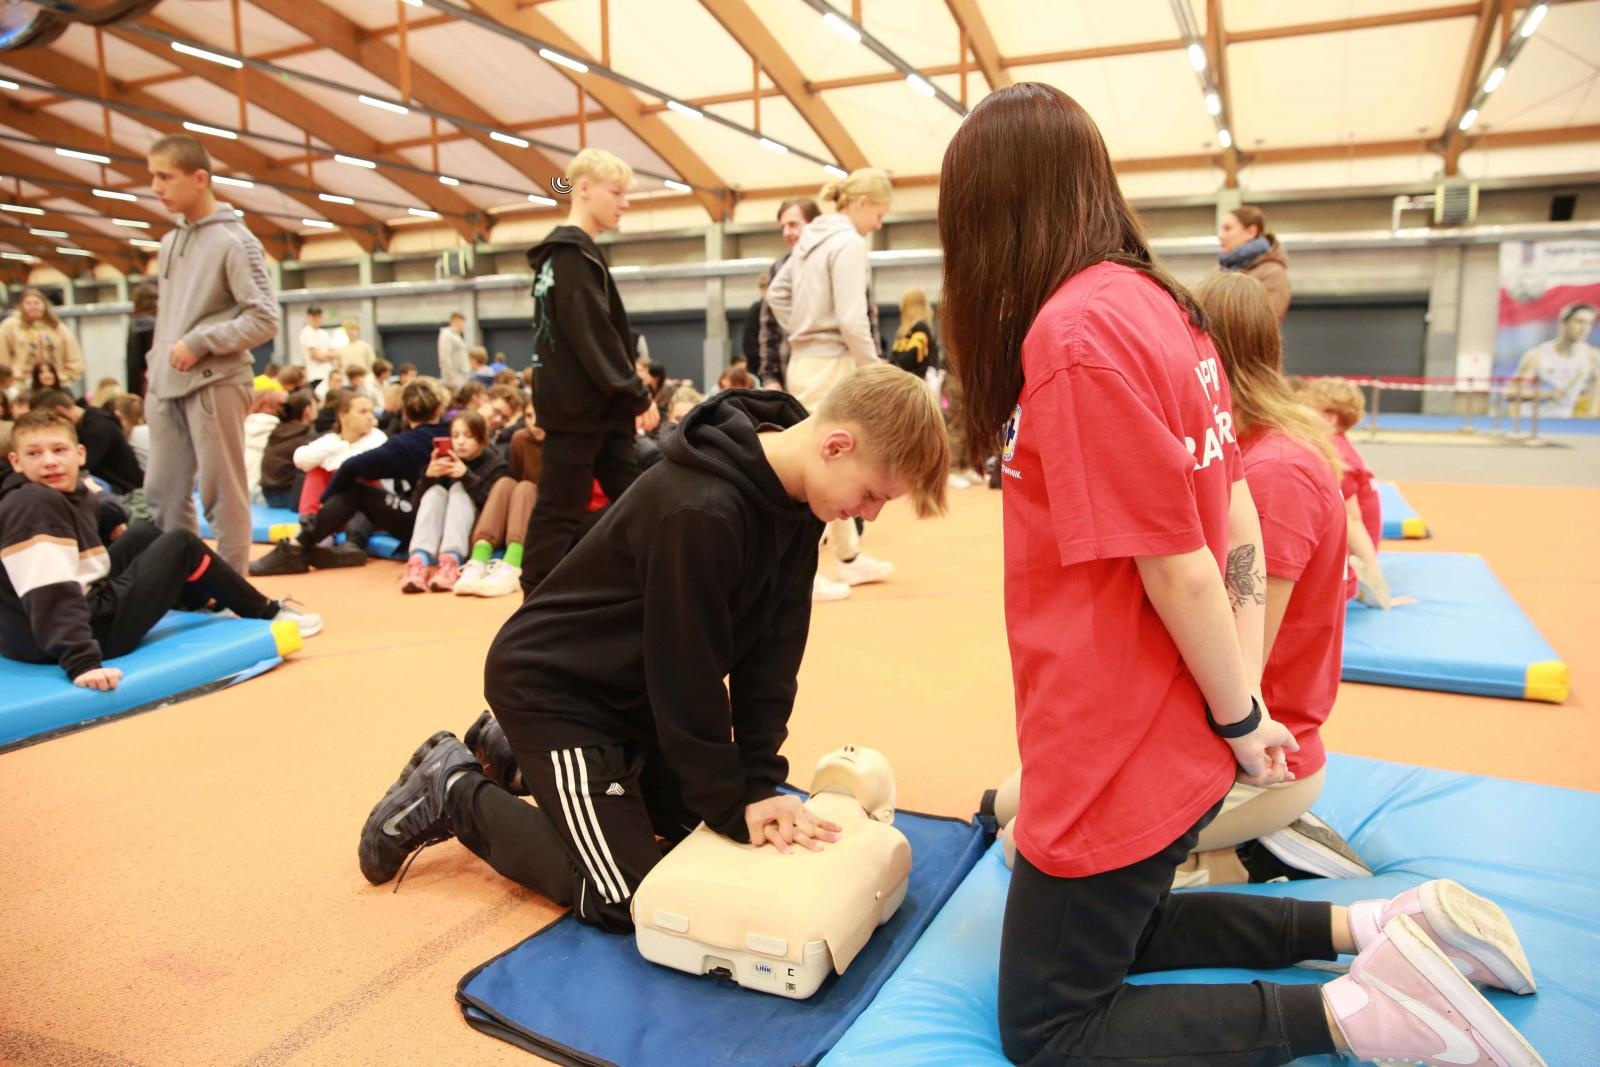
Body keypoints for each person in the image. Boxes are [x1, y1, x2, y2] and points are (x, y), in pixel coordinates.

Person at [939, 82, 1541, 1067]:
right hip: (1159, 722)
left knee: (1049, 1026)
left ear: (995, 212)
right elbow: (1227, 510)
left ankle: (1360, 1016)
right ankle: (1378, 924)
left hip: (1119, 734)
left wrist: (1239, 714)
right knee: (1126, 933)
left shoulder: (1076, 332)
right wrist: (1235, 700)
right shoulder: (1162, 307)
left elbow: (1179, 562)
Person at [356, 365, 950, 930]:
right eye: (873, 495)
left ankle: (512, 753)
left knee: (709, 827)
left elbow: (773, 655)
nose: (869, 514)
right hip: (557, 690)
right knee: (632, 896)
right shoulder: (702, 510)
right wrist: (727, 801)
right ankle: (452, 789)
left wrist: (756, 783)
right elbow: (684, 678)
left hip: (633, 694)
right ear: (836, 445)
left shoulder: (798, 503)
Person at [1173, 272, 1363, 887]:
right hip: (1234, 741)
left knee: (1027, 846)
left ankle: (1260, 855)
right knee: (1011, 805)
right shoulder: (1239, 449)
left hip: (1265, 756)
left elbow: (1244, 649)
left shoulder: (1275, 471)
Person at [0, 411, 320, 690]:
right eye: (34, 453)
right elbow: (49, 590)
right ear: (16, 461)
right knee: (180, 544)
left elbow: (111, 514)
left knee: (144, 533)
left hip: (38, 629)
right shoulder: (34, 504)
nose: (50, 461)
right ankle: (266, 612)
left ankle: (205, 601)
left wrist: (91, 498)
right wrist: (82, 661)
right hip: (69, 637)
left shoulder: (60, 493)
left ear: (80, 454)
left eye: (58, 450)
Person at [518, 147, 658, 596]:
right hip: (581, 409)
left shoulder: (564, 257)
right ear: (584, 189)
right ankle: (535, 597)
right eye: (616, 192)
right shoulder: (572, 256)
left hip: (590, 410)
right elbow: (593, 336)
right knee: (561, 509)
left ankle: (658, 572)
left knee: (642, 495)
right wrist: (636, 393)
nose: (625, 202)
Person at [143, 133, 279, 575]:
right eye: (153, 176)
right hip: (165, 385)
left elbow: (264, 319)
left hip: (214, 383)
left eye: (165, 176)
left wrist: (200, 342)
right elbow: (169, 319)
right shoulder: (169, 242)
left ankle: (231, 584)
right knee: (162, 493)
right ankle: (178, 580)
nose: (156, 187)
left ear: (200, 178)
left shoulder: (234, 241)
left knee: (222, 494)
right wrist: (156, 363)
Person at [768, 169, 895, 602]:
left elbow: (775, 295)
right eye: (880, 213)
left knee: (839, 465)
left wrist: (802, 329)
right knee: (818, 469)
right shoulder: (848, 243)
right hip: (830, 362)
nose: (879, 223)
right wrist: (874, 369)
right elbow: (852, 318)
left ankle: (847, 555)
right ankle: (800, 572)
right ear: (861, 204)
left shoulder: (807, 241)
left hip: (806, 359)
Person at [250, 378, 449, 576]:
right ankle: (324, 540)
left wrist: (326, 502)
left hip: (424, 521)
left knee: (356, 490)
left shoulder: (400, 444)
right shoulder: (453, 432)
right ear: (440, 408)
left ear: (404, 410)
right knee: (337, 477)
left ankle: (300, 545)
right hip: (453, 518)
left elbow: (350, 467)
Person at [1302, 376, 1390, 608]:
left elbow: (1353, 519)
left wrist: (1374, 577)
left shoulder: (1336, 454)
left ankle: (1361, 579)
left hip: (1351, 563)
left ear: (1329, 419)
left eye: (1304, 409)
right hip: (1353, 555)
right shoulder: (1338, 443)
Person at [400, 410, 509, 593]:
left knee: (459, 490)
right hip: (439, 533)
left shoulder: (496, 465)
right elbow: (416, 508)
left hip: (475, 534)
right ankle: (419, 562)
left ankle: (451, 563)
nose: (460, 442)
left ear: (482, 438)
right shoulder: (443, 461)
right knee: (435, 492)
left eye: (468, 436)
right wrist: (428, 478)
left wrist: (466, 476)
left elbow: (493, 509)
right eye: (455, 436)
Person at [29, 388, 143, 497]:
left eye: (50, 419)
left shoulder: (98, 428)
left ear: (60, 411)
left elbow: (81, 467)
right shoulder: (92, 420)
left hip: (121, 490)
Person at [1510, 301, 1598, 419]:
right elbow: (1511, 394)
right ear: (1563, 323)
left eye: (1589, 323)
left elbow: (1595, 393)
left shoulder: (1593, 356)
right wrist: (1547, 395)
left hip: (1563, 425)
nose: (1584, 328)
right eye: (1579, 321)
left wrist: (1591, 419)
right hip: (1531, 422)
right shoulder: (1536, 355)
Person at [1, 288, 84, 392]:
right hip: (21, 383)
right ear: (21, 306)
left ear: (45, 305)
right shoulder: (10, 326)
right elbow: (2, 358)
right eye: (29, 303)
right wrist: (11, 375)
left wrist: (64, 376)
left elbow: (74, 358)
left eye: (37, 303)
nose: (33, 306)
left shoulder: (58, 328)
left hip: (56, 384)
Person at [1218, 205, 1291, 323]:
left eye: (1227, 229)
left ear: (1250, 232)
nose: (1220, 236)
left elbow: (1264, 323)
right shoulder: (1220, 269)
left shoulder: (1272, 273)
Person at [259, 390, 315, 510]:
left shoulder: (279, 431)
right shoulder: (304, 436)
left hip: (269, 494)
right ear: (307, 410)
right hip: (287, 496)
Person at [888, 288, 939, 379]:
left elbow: (913, 357)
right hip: (904, 379)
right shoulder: (904, 331)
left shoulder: (921, 327)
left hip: (917, 381)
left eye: (904, 304)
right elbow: (894, 356)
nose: (900, 308)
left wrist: (892, 365)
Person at [126, 282, 157, 398]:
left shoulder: (135, 323)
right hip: (151, 383)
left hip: (140, 383)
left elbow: (133, 364)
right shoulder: (152, 325)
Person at [298, 306, 335, 385]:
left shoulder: (324, 333)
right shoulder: (307, 332)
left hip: (328, 373)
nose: (316, 318)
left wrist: (327, 355)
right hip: (315, 375)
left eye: (319, 315)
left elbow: (333, 353)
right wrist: (328, 356)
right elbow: (316, 355)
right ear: (308, 316)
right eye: (314, 315)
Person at [438, 312, 471, 389]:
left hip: (462, 377)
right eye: (463, 323)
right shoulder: (446, 335)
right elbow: (444, 358)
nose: (464, 326)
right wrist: (451, 379)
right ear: (456, 321)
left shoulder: (457, 336)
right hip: (454, 380)